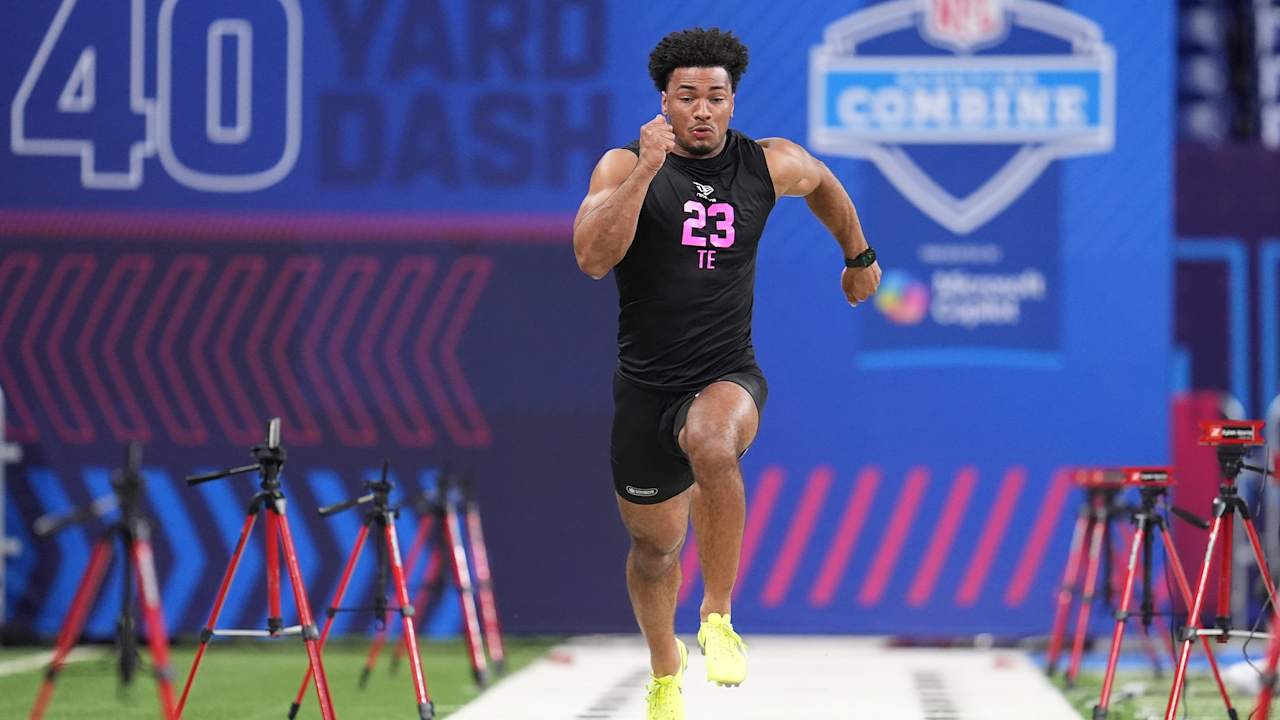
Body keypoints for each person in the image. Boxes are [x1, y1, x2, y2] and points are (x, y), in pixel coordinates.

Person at [572, 27, 881, 719]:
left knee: (712, 443)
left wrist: (858, 256)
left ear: (733, 101)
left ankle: (717, 616)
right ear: (664, 102)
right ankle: (665, 673)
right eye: (688, 96)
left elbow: (825, 184)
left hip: (726, 371)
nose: (702, 110)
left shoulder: (769, 163)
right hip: (645, 387)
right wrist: (648, 171)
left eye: (716, 96)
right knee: (655, 549)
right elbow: (592, 258)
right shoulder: (623, 166)